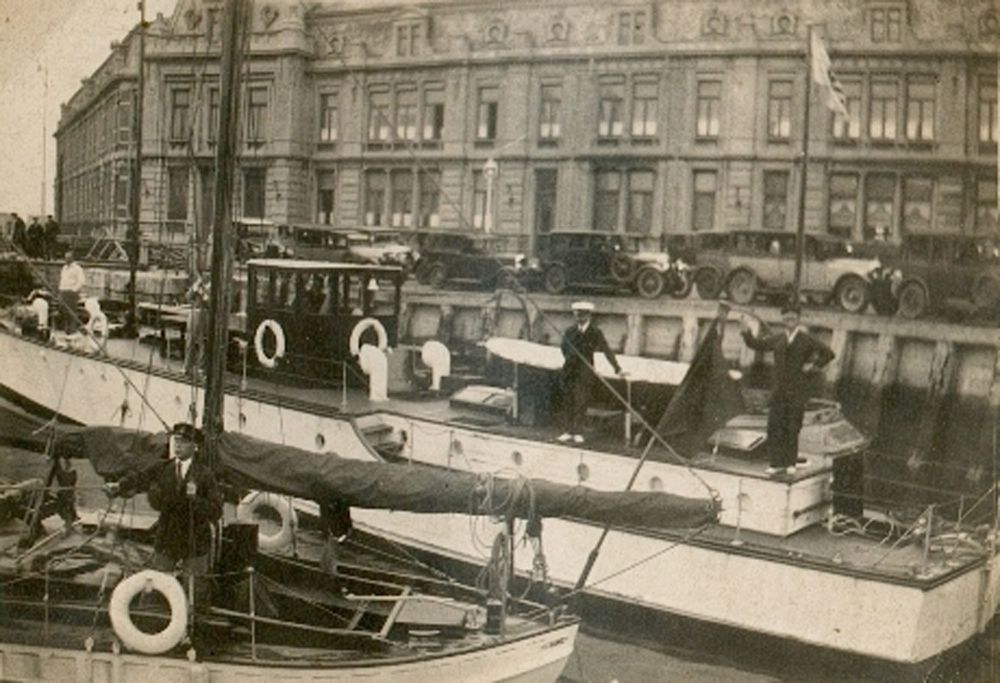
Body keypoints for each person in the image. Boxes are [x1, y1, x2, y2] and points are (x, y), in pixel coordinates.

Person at [104, 423, 222, 591]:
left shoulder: (205, 475)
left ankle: (192, 614)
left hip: (195, 542)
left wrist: (194, 500)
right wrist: (118, 486)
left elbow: (216, 511)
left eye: (184, 441)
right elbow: (139, 478)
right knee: (156, 587)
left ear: (195, 446)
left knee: (194, 592)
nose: (178, 445)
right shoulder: (162, 468)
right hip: (168, 539)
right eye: (176, 440)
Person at [740, 302, 835, 477]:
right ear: (782, 318)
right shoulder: (778, 338)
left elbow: (828, 353)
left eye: (793, 316)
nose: (789, 319)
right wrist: (745, 331)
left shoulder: (806, 340)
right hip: (778, 391)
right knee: (774, 426)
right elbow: (756, 345)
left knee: (792, 427)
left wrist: (813, 365)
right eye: (786, 316)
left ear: (798, 318)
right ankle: (776, 463)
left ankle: (790, 462)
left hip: (798, 391)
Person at [558, 301, 626, 444]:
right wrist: (571, 356)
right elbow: (563, 347)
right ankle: (567, 431)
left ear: (588, 315)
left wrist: (617, 368)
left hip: (585, 371)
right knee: (568, 400)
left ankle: (577, 432)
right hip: (569, 370)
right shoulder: (570, 331)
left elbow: (606, 350)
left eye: (582, 315)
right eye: (576, 315)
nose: (579, 318)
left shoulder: (595, 333)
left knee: (581, 401)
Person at [184, 272, 209, 376]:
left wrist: (203, 294)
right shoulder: (197, 285)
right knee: (190, 340)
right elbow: (188, 297)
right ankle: (187, 366)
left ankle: (201, 367)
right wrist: (195, 288)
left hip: (205, 314)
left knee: (203, 341)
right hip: (194, 313)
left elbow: (210, 302)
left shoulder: (212, 288)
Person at [58, 250, 86, 333]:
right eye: (65, 258)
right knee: (64, 311)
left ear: (72, 258)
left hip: (71, 293)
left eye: (68, 258)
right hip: (63, 292)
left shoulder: (77, 268)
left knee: (71, 311)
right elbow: (62, 279)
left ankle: (73, 329)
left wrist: (74, 290)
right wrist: (60, 290)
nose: (66, 260)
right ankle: (67, 329)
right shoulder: (64, 268)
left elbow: (81, 281)